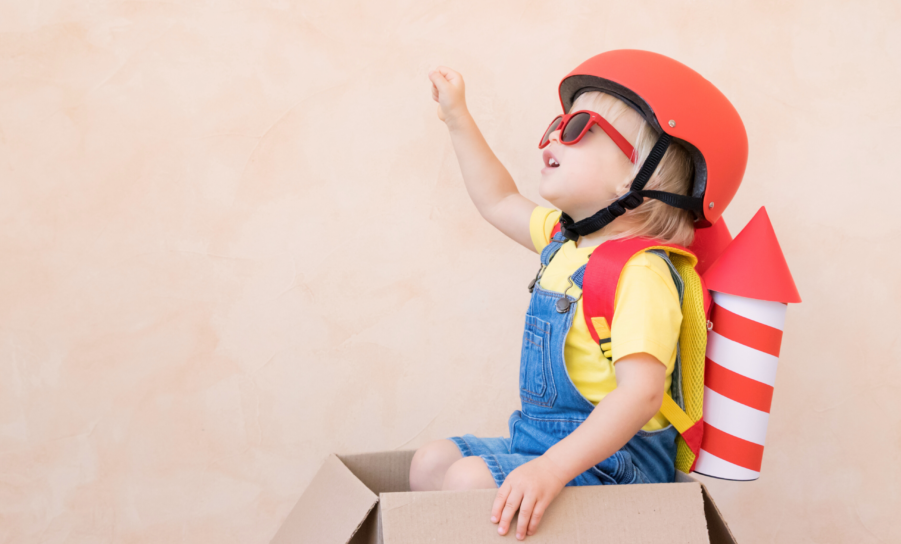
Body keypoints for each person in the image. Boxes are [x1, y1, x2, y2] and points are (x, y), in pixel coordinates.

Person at [409, 50, 746, 541]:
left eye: (578, 128)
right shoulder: (565, 242)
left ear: (639, 175)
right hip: (544, 441)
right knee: (432, 461)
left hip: (619, 462)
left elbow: (641, 393)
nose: (552, 137)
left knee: (466, 481)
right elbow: (497, 199)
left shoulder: (643, 272)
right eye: (555, 124)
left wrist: (550, 469)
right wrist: (458, 118)